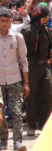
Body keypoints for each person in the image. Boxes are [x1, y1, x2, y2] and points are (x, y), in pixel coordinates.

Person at [0, 9, 29, 151]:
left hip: (14, 78)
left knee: (16, 110)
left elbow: (24, 61)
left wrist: (26, 83)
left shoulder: (17, 37)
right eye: (2, 21)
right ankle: (3, 139)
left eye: (8, 21)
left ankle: (17, 142)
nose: (5, 24)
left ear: (11, 20)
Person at [21, 3, 52, 135]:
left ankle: (42, 124)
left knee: (49, 94)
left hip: (44, 66)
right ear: (43, 16)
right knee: (31, 97)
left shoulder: (47, 31)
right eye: (47, 16)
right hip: (31, 66)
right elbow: (22, 53)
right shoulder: (27, 31)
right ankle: (32, 126)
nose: (49, 18)